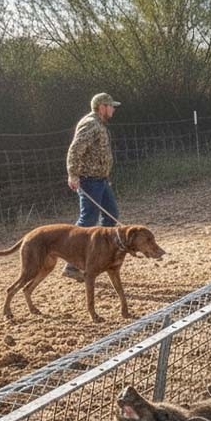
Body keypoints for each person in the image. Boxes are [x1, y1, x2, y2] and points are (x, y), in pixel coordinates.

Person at [63, 92, 121, 280]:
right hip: (90, 181)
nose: (113, 109)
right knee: (87, 220)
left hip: (101, 180)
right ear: (102, 107)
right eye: (111, 106)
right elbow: (75, 149)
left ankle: (101, 254)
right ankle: (71, 265)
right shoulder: (91, 124)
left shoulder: (99, 124)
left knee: (111, 215)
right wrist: (73, 174)